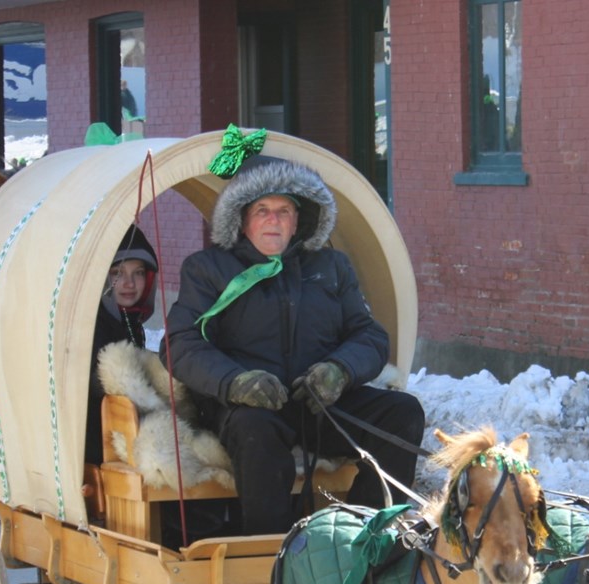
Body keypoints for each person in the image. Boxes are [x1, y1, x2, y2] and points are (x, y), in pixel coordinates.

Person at [163, 142, 425, 535]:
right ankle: (273, 549)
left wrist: (339, 371)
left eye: (283, 211)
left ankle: (362, 534)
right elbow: (180, 344)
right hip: (247, 406)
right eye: (262, 210)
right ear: (242, 218)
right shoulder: (208, 269)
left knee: (403, 414)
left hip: (319, 402)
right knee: (257, 431)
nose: (274, 221)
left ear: (298, 220)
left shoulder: (331, 267)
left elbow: (369, 335)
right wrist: (235, 382)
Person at [86, 226, 158, 466]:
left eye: (138, 273)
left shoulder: (129, 318)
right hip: (99, 443)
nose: (129, 283)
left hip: (125, 431)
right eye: (118, 272)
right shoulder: (92, 324)